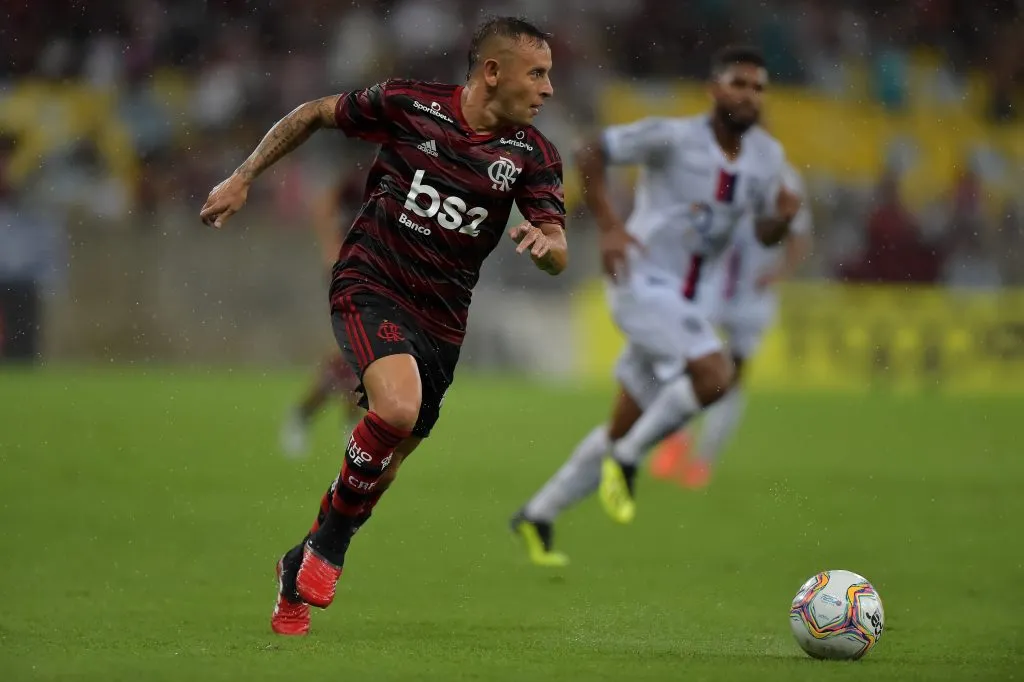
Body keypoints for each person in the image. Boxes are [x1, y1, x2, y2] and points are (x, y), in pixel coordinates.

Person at [200, 16, 567, 634]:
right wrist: (243, 176)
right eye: (537, 73)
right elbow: (314, 113)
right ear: (492, 72)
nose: (549, 88)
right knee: (395, 409)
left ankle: (298, 563)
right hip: (372, 281)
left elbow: (557, 246)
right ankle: (330, 549)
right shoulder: (409, 104)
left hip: (443, 320)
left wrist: (547, 246)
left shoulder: (534, 155)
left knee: (385, 467)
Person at [511, 46, 799, 567]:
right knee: (715, 374)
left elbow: (762, 233)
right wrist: (610, 226)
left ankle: (539, 513)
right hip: (640, 282)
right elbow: (589, 149)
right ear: (714, 89)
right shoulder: (672, 136)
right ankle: (626, 460)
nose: (749, 95)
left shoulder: (767, 158)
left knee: (623, 423)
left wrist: (780, 220)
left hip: (690, 302)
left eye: (758, 87)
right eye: (738, 83)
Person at [651, 162, 813, 488]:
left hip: (753, 293)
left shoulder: (784, 178)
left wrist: (781, 272)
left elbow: (800, 235)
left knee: (732, 378)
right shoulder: (718, 165)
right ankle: (679, 435)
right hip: (713, 284)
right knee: (686, 358)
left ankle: (704, 459)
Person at [279, 165, 369, 458]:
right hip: (349, 271)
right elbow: (324, 204)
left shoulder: (404, 177)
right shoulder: (362, 177)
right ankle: (344, 425)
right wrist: (331, 246)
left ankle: (309, 415)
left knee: (354, 355)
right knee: (354, 351)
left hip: (375, 275)